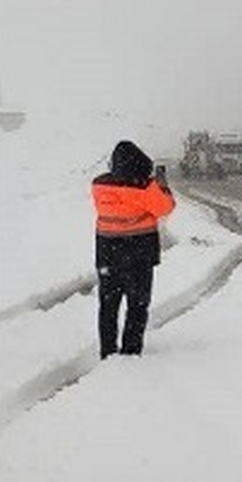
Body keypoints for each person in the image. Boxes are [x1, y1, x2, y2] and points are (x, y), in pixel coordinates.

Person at [91, 140, 176, 358]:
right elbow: (165, 208)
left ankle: (107, 351)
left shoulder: (99, 185)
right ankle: (130, 351)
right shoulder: (144, 187)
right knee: (137, 305)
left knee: (108, 306)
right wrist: (161, 187)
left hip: (107, 255)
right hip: (138, 255)